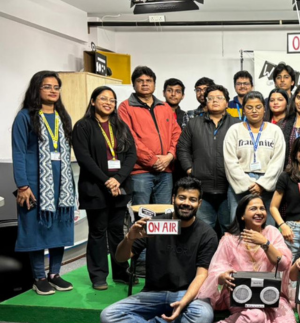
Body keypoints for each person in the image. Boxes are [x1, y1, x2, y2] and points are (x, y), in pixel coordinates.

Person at [100, 177, 217, 323]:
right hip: (152, 294)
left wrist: (184, 302)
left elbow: (202, 275)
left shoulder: (207, 234)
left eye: (192, 199)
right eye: (182, 197)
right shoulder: (155, 224)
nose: (186, 203)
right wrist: (129, 238)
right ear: (173, 199)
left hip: (186, 294)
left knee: (204, 317)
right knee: (108, 315)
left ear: (199, 203)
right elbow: (121, 258)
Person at [198, 194, 299, 323]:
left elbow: (283, 264)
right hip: (240, 294)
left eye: (262, 208)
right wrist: (223, 276)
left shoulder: (272, 233)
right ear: (242, 215)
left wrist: (265, 243)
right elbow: (217, 268)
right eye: (253, 208)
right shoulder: (230, 239)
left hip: (269, 294)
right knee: (256, 318)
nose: (259, 212)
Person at [11, 70, 76, 295]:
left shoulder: (63, 116)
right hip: (34, 184)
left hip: (62, 184)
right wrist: (23, 185)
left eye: (56, 87)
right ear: (36, 89)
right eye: (47, 86)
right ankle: (39, 277)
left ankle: (55, 274)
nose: (53, 91)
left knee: (59, 228)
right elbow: (19, 152)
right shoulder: (25, 117)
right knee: (36, 229)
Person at [72, 86, 137, 290]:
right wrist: (107, 181)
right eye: (103, 98)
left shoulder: (121, 126)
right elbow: (84, 158)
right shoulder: (83, 126)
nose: (108, 103)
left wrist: (118, 179)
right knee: (98, 232)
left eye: (112, 100)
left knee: (117, 231)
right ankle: (99, 275)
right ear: (93, 101)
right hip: (95, 187)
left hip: (120, 187)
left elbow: (131, 155)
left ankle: (121, 272)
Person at [177, 84, 236, 234]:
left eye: (219, 98)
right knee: (203, 230)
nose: (214, 101)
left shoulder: (236, 125)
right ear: (206, 102)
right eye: (211, 98)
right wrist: (190, 169)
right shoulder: (194, 123)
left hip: (229, 188)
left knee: (229, 231)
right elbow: (182, 148)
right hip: (201, 188)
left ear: (227, 103)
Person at [118, 66, 181, 206]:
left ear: (154, 84)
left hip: (166, 171)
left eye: (149, 80)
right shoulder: (125, 107)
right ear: (134, 84)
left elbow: (176, 134)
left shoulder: (165, 107)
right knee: (142, 214)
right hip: (140, 172)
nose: (145, 84)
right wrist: (152, 160)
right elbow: (129, 138)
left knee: (164, 214)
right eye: (140, 81)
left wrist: (170, 156)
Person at [224, 91, 285, 227]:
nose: (254, 111)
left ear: (264, 109)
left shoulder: (275, 131)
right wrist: (248, 184)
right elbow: (230, 161)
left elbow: (278, 161)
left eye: (258, 107)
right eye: (249, 107)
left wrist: (262, 185)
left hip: (267, 184)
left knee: (267, 226)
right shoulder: (234, 130)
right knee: (238, 226)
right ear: (244, 110)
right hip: (239, 184)